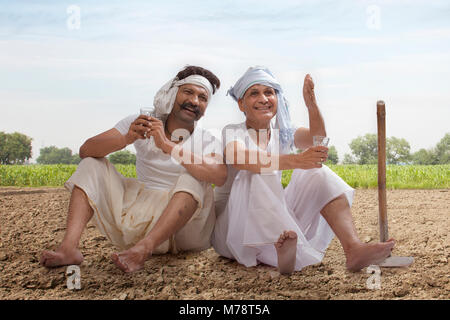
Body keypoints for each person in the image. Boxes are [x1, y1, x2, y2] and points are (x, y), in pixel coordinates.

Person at [40, 65, 227, 273]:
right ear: (173, 93)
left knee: (195, 175)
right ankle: (68, 248)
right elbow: (86, 150)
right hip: (139, 218)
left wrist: (167, 146)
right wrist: (127, 138)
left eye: (203, 98)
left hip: (185, 230)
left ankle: (143, 250)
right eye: (188, 92)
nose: (194, 101)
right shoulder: (140, 123)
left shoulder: (208, 139)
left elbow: (219, 176)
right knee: (92, 163)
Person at [212, 66, 395, 274]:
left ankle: (352, 249)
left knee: (316, 171)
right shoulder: (233, 131)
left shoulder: (282, 132)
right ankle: (277, 250)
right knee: (256, 171)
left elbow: (318, 139)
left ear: (277, 99)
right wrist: (297, 160)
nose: (263, 98)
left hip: (273, 219)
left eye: (269, 92)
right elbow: (241, 158)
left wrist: (311, 105)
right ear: (241, 104)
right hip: (232, 232)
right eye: (254, 93)